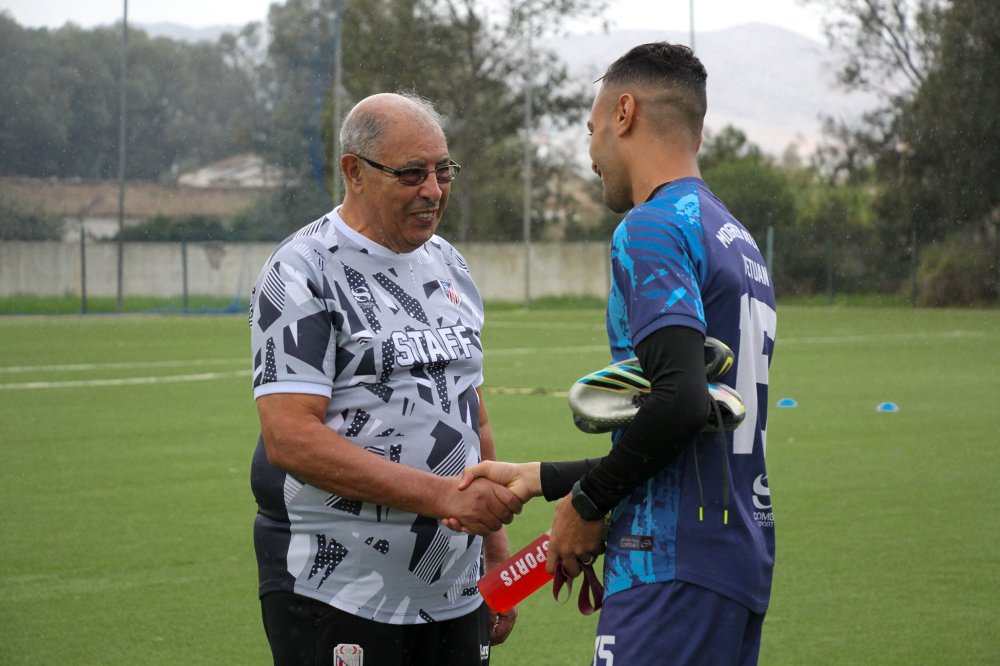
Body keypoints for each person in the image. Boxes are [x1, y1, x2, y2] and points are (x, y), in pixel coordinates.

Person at [453, 42, 778, 665]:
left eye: (591, 128)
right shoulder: (734, 237)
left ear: (624, 113)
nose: (591, 152)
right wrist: (543, 480)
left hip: (670, 566)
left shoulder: (653, 226)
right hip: (732, 556)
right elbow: (693, 428)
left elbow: (680, 403)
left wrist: (586, 504)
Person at [248, 91, 520, 665]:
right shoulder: (302, 268)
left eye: (443, 171)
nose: (433, 190)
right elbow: (290, 438)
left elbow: (470, 410)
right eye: (412, 173)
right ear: (355, 171)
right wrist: (444, 495)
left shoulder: (450, 264)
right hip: (338, 589)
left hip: (454, 587)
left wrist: (497, 556)